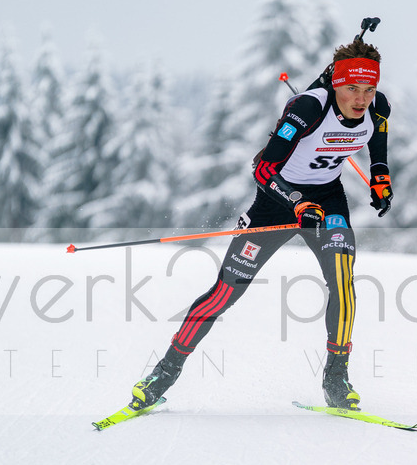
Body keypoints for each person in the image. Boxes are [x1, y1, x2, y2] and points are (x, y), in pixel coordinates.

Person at [129, 38, 393, 411]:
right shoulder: (307, 109)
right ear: (335, 84)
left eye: (369, 89)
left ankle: (336, 378)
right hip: (276, 202)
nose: (361, 99)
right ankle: (164, 372)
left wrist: (380, 180)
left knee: (343, 279)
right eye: (352, 88)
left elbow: (377, 147)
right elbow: (263, 169)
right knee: (225, 292)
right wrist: (297, 202)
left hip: (328, 200)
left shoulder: (378, 107)